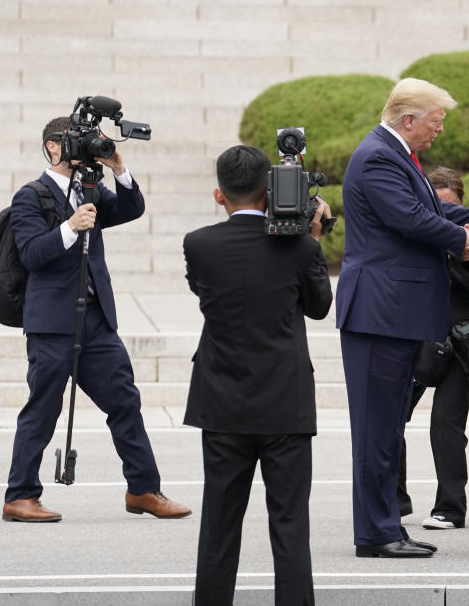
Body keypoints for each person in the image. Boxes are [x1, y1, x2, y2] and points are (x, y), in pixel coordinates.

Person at [336, 78, 469, 558]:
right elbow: (410, 218)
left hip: (393, 313)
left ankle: (386, 527)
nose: (439, 130)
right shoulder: (379, 156)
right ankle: (377, 533)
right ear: (409, 120)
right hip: (379, 313)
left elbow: (437, 210)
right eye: (435, 121)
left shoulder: (396, 154)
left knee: (386, 430)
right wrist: (464, 240)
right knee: (376, 430)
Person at [2, 117, 190, 523]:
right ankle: (20, 495)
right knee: (42, 408)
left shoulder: (91, 189)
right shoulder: (30, 196)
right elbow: (32, 254)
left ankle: (143, 489)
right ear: (53, 147)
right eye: (74, 142)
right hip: (52, 323)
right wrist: (70, 227)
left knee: (125, 401)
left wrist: (119, 168)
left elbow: (131, 209)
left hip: (96, 319)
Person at [183, 145, 332, 605]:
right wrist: (312, 236)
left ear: (218, 195)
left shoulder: (198, 243)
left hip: (222, 401)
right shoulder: (300, 247)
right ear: (269, 193)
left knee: (218, 525)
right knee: (289, 525)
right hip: (284, 405)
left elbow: (202, 290)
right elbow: (319, 307)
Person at [395, 167, 469, 531]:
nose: (441, 216)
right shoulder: (411, 231)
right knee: (390, 418)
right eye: (435, 207)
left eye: (450, 208)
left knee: (446, 425)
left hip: (458, 344)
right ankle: (393, 499)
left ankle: (450, 507)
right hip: (415, 340)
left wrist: (458, 251)